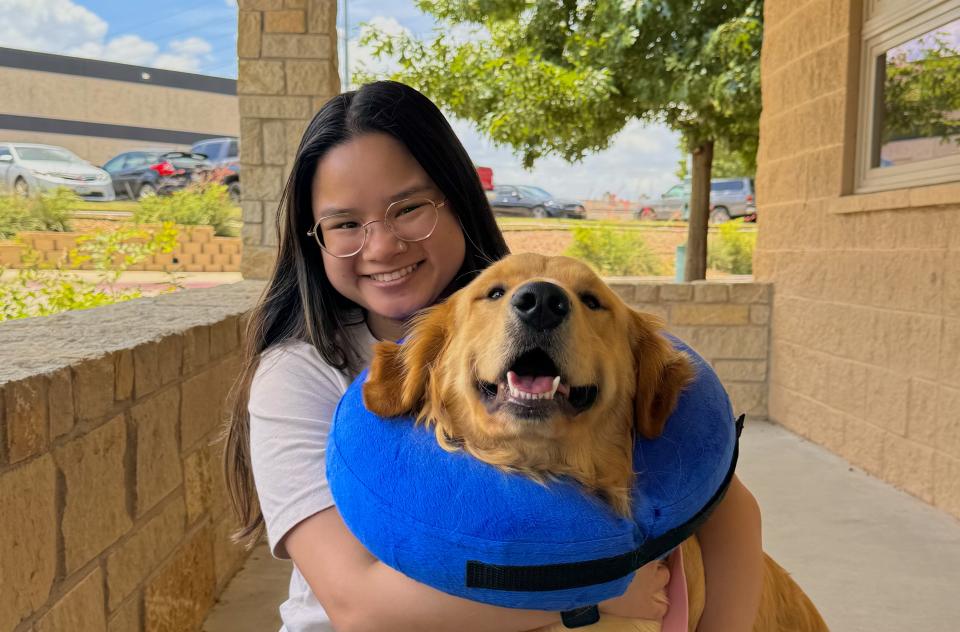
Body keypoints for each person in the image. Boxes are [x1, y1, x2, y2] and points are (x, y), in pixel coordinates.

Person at [223, 80, 762, 632]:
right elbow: (358, 605)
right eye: (344, 224)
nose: (382, 246)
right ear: (315, 239)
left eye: (408, 208)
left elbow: (727, 504)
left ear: (458, 201)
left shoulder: (548, 310)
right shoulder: (298, 373)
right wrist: (593, 595)